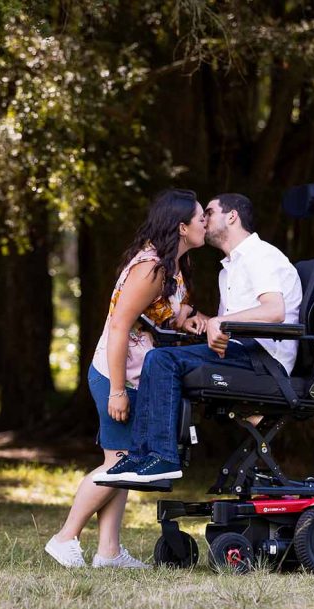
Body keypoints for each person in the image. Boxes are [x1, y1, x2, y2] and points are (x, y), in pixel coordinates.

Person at [45, 189, 207, 568]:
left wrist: (190, 318)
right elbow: (118, 327)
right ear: (182, 227)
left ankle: (108, 552)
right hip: (115, 375)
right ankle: (65, 537)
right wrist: (117, 390)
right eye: (200, 218)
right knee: (119, 462)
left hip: (137, 375)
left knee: (124, 461)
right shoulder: (150, 268)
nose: (206, 224)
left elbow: (162, 315)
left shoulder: (172, 265)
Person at [93, 192, 302, 485]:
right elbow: (231, 325)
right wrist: (206, 324)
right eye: (201, 215)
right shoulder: (230, 268)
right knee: (162, 358)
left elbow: (274, 310)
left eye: (210, 212)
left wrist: (221, 322)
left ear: (232, 216)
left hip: (262, 363)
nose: (204, 220)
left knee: (162, 360)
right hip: (242, 354)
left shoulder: (260, 256)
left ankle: (162, 458)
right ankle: (141, 457)